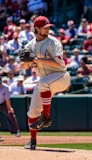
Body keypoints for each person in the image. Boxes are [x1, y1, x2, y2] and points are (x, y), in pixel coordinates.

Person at [21, 16, 70, 150]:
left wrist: (37, 58)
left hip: (60, 76)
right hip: (45, 81)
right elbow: (24, 67)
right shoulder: (30, 45)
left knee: (42, 83)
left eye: (48, 27)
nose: (48, 29)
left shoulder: (53, 43)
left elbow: (58, 63)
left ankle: (46, 118)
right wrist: (25, 61)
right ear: (37, 28)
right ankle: (32, 140)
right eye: (45, 27)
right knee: (32, 112)